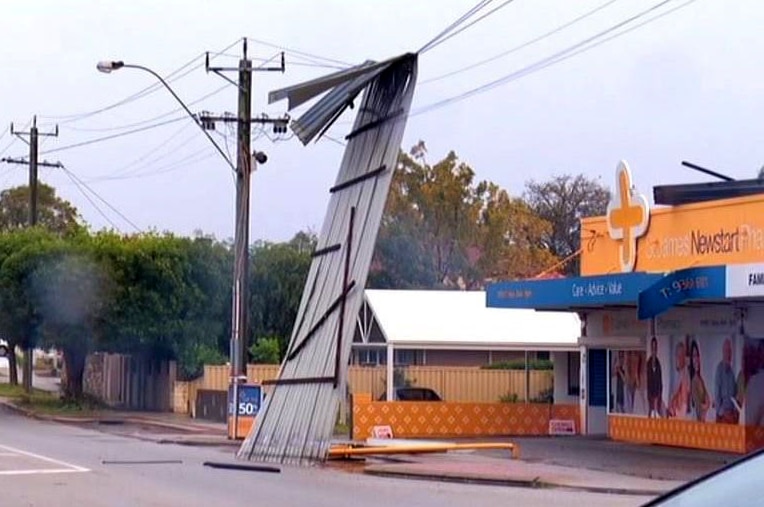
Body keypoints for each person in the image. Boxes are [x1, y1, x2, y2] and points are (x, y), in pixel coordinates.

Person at [714, 338, 739, 424]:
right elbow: (717, 397)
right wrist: (724, 414)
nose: (728, 354)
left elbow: (735, 394)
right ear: (723, 353)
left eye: (730, 351)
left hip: (731, 414)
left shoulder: (732, 373)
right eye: (726, 351)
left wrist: (735, 411)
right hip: (722, 416)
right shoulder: (719, 370)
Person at [689, 340, 711, 422]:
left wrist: (705, 405)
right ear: (691, 359)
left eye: (697, 355)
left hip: (703, 419)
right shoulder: (693, 381)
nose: (696, 359)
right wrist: (705, 406)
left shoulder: (700, 378)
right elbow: (699, 407)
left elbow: (708, 400)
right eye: (694, 356)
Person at [668, 340, 690, 419]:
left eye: (681, 356)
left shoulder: (685, 373)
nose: (679, 359)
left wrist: (671, 403)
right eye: (678, 356)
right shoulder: (676, 373)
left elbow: (678, 390)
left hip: (681, 409)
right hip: (675, 410)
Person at [646, 337, 663, 418]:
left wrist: (658, 398)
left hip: (658, 398)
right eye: (652, 348)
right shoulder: (648, 365)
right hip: (650, 399)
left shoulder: (658, 364)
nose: (654, 350)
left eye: (655, 348)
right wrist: (652, 401)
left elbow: (660, 383)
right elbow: (648, 384)